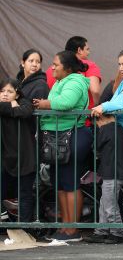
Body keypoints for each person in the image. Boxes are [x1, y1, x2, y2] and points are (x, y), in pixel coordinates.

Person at [84, 48, 123, 244]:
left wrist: (103, 107)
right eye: (119, 64)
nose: (121, 68)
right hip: (120, 137)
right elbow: (116, 100)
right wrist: (107, 106)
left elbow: (122, 104)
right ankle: (108, 229)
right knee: (115, 188)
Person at [33, 50, 93, 242]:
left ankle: (72, 230)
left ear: (67, 68)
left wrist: (45, 104)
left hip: (72, 136)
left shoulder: (75, 80)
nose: (51, 68)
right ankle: (64, 226)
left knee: (70, 182)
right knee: (59, 183)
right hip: (58, 138)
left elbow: (66, 102)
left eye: (55, 65)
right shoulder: (61, 81)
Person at [0, 78, 35, 223]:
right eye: (2, 91)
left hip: (24, 157)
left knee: (24, 194)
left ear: (18, 94)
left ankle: (25, 228)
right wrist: (12, 107)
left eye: (10, 91)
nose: (5, 94)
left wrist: (15, 108)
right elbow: (17, 111)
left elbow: (25, 111)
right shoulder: (14, 104)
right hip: (4, 158)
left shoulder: (25, 102)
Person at [46, 36, 102, 110]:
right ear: (79, 50)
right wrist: (97, 108)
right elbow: (95, 91)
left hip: (54, 117)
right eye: (87, 49)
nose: (89, 52)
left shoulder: (50, 69)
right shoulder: (89, 66)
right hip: (80, 118)